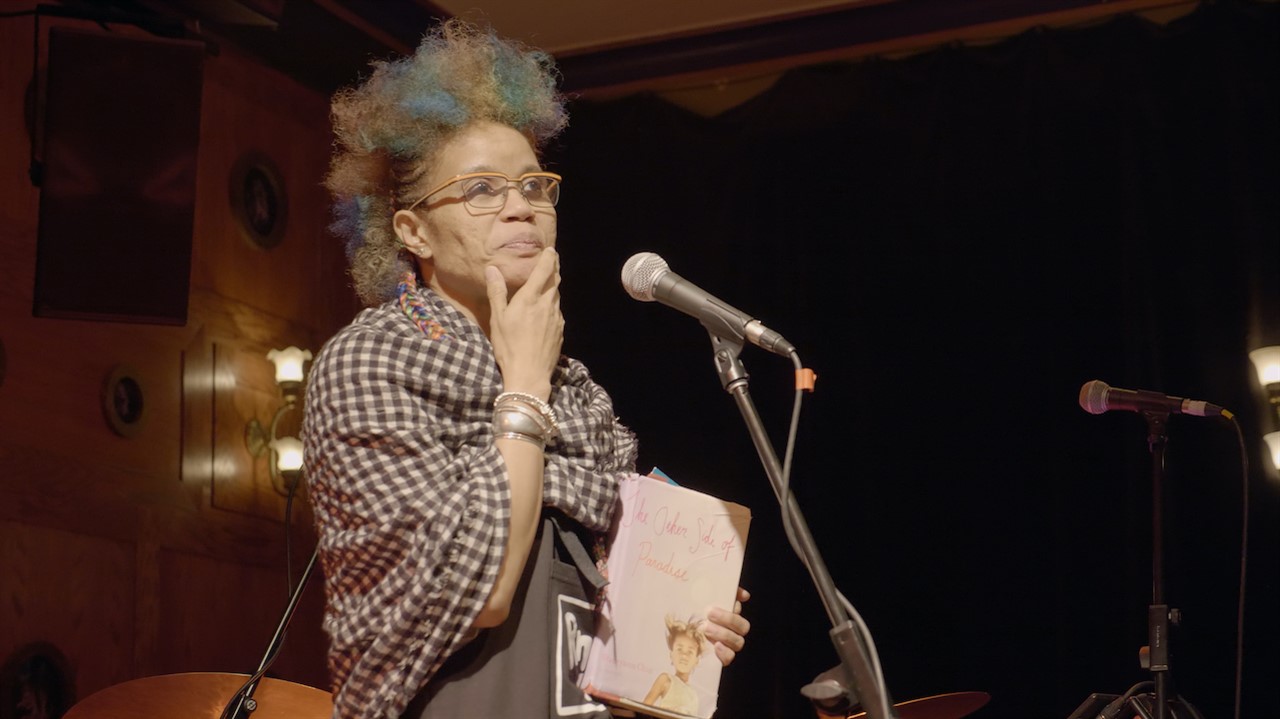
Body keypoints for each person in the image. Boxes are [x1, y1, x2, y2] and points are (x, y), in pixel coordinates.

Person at [303, 20, 750, 719]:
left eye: (535, 185)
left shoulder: (577, 391)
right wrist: (522, 390)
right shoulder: (372, 363)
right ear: (412, 231)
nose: (521, 207)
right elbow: (478, 594)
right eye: (481, 189)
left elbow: (606, 656)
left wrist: (679, 619)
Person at [641, 615, 708, 716]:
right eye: (679, 649)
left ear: (696, 660)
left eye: (690, 652)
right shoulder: (666, 680)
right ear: (671, 655)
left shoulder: (694, 695)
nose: (684, 655)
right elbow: (643, 709)